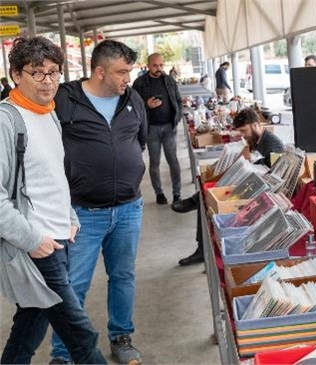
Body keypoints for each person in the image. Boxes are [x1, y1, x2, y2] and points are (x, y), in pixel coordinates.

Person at [0, 36, 107, 365]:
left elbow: (49, 177)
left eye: (54, 72)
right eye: (38, 73)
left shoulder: (48, 114)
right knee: (80, 334)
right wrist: (33, 240)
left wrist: (70, 218)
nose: (48, 82)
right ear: (16, 74)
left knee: (31, 323)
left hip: (59, 238)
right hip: (36, 245)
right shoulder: (7, 120)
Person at [49, 40, 148, 365]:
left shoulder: (132, 98)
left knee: (123, 277)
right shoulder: (65, 98)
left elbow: (139, 140)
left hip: (128, 209)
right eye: (121, 72)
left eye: (129, 71)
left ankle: (121, 337)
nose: (127, 78)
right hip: (82, 213)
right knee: (73, 285)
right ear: (100, 70)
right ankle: (64, 354)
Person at [172, 107, 284, 265]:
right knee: (209, 196)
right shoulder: (254, 141)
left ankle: (196, 211)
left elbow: (271, 176)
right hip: (249, 183)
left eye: (244, 131)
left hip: (261, 192)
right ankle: (201, 245)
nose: (243, 135)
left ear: (255, 125)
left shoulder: (273, 145)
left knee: (209, 199)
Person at [132, 53, 183, 205]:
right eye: (155, 65)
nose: (159, 68)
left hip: (169, 127)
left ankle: (177, 194)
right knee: (154, 162)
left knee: (173, 161)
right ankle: (159, 193)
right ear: (148, 65)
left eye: (161, 65)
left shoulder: (169, 80)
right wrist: (146, 104)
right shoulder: (139, 83)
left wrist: (177, 117)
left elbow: (178, 101)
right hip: (151, 129)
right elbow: (132, 106)